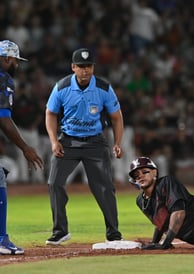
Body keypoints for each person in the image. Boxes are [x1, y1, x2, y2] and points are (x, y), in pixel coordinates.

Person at [45, 48, 124, 245]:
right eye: (80, 66)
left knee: (104, 187)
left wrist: (117, 143)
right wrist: (54, 141)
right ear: (73, 67)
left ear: (93, 68)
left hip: (95, 143)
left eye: (88, 66)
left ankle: (113, 233)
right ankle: (60, 231)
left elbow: (116, 117)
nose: (84, 70)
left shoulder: (104, 88)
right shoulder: (61, 87)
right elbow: (50, 114)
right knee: (54, 183)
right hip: (68, 141)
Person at [0, 40, 44, 255]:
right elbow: (4, 119)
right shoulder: (3, 79)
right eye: (15, 60)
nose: (16, 65)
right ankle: (1, 239)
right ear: (7, 58)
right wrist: (25, 147)